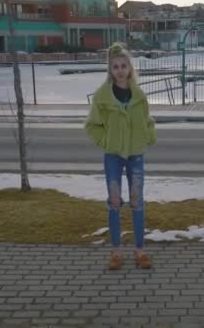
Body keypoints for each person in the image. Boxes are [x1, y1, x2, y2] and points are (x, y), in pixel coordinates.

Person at [84, 42, 157, 270]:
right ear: (110, 70)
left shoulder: (139, 95)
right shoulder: (102, 97)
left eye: (124, 65)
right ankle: (116, 252)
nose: (120, 70)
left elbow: (147, 120)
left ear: (130, 68)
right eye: (115, 66)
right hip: (113, 156)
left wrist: (148, 135)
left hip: (135, 154)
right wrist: (106, 141)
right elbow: (92, 125)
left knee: (137, 202)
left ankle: (140, 251)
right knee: (114, 202)